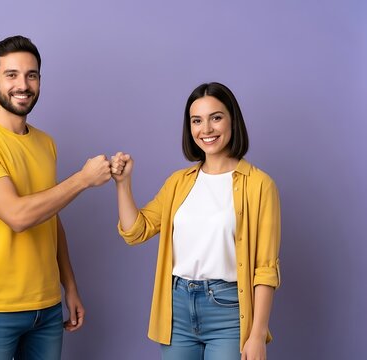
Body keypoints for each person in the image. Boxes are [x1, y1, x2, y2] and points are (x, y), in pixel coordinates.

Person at [0, 35, 111, 360]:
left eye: (31, 75)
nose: (22, 84)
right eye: (11, 75)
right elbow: (19, 215)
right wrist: (82, 179)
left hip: (47, 309)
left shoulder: (45, 143)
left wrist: (70, 287)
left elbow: (49, 216)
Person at [110, 82, 281, 360]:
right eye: (197, 121)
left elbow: (265, 268)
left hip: (228, 311)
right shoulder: (178, 183)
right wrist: (122, 183)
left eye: (216, 117)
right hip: (177, 308)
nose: (207, 129)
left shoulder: (260, 185)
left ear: (232, 121)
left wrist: (258, 333)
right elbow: (135, 231)